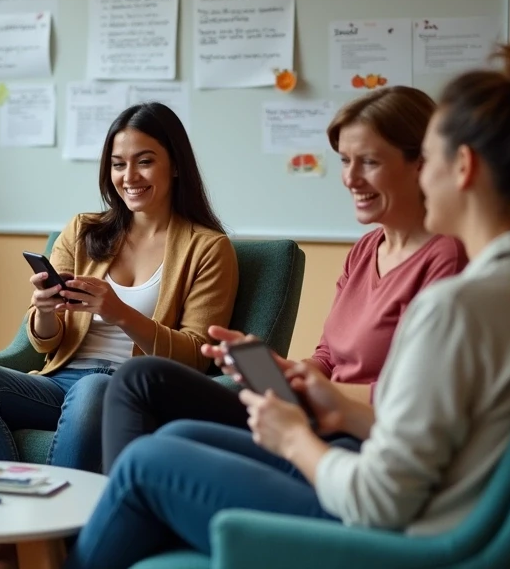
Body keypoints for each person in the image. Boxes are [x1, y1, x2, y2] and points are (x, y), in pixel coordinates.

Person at [63, 33, 510, 569]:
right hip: (436, 507)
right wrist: (340, 410)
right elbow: (448, 435)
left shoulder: (457, 305)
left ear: (463, 167)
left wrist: (293, 439)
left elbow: (379, 498)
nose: (425, 177)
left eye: (427, 159)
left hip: (398, 537)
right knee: (175, 436)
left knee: (150, 458)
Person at [101, 86, 468, 470]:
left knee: (162, 447)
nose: (350, 178)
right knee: (141, 378)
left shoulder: (447, 259)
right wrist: (275, 368)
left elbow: (423, 398)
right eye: (345, 160)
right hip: (314, 412)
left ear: (421, 164)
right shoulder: (365, 249)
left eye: (370, 162)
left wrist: (320, 391)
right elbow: (328, 357)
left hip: (357, 435)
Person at [0, 102, 238, 477]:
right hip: (62, 381)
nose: (129, 176)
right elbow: (47, 344)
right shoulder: (83, 230)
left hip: (132, 391)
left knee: (95, 388)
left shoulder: (208, 248)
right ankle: (12, 519)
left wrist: (119, 312)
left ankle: (58, 527)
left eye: (144, 161)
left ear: (176, 165)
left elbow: (196, 357)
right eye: (118, 164)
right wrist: (46, 311)